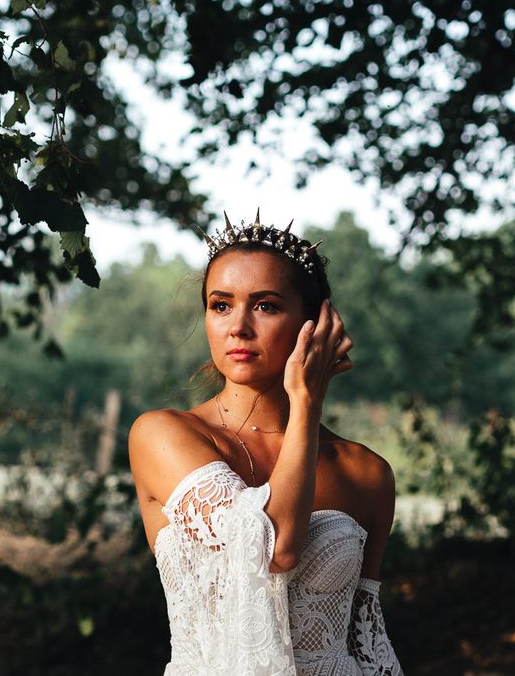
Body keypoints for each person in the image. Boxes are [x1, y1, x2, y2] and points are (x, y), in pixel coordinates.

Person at [128, 211, 404, 675]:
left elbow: (367, 643)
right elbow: (273, 550)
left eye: (266, 305)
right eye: (220, 305)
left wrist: (303, 412)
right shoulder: (162, 435)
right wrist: (307, 405)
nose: (238, 326)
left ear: (314, 324)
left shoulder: (366, 473)